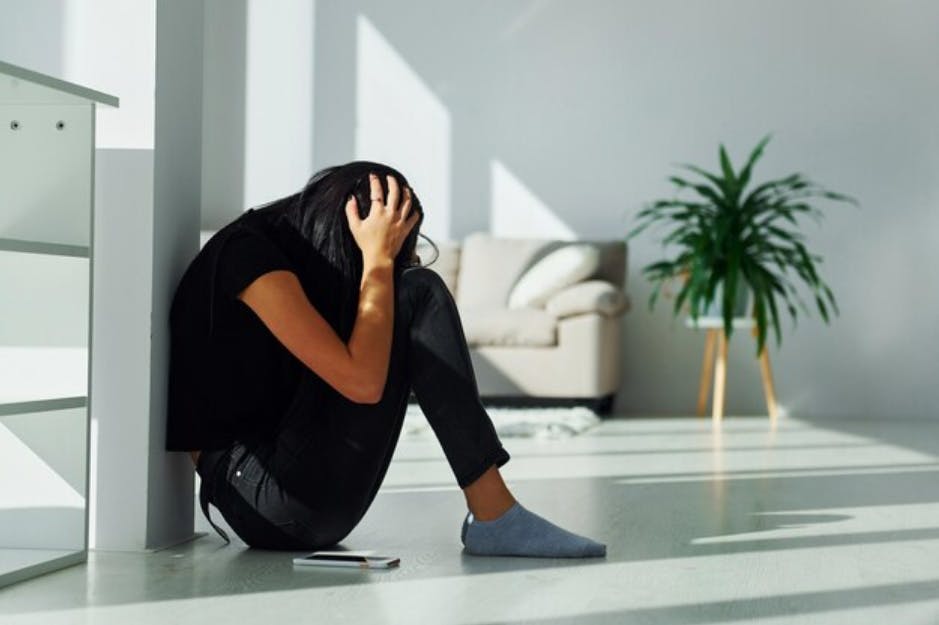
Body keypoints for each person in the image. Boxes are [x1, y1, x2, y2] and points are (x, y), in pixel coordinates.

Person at [164, 161, 606, 558]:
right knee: (417, 291)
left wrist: (380, 264)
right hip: (266, 500)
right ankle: (494, 514)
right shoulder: (251, 257)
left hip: (298, 492)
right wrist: (377, 262)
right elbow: (363, 384)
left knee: (410, 291)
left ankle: (494, 514)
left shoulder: (295, 258)